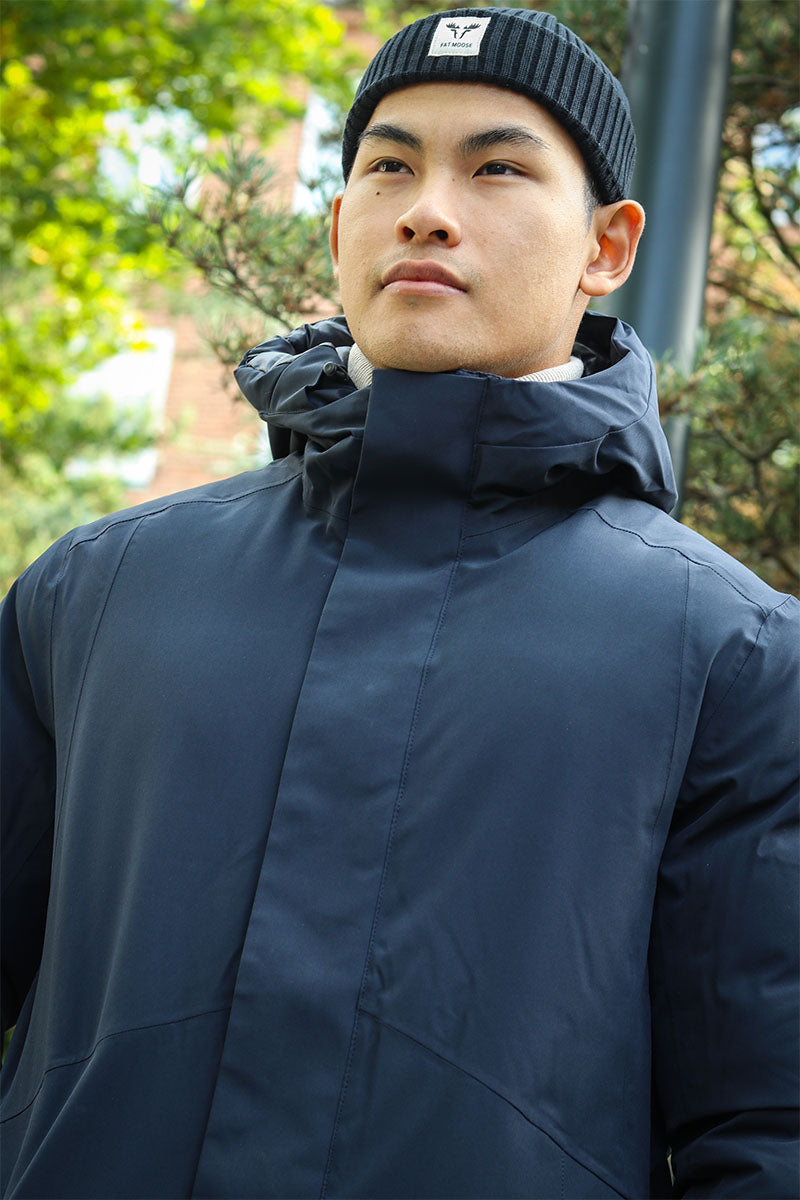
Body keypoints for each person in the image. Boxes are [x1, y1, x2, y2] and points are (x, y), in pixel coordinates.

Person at [1, 7, 797, 1198]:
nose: (425, 209)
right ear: (338, 226)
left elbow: (770, 1129)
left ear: (606, 246)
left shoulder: (729, 655)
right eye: (388, 166)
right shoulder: (92, 594)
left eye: (496, 168)